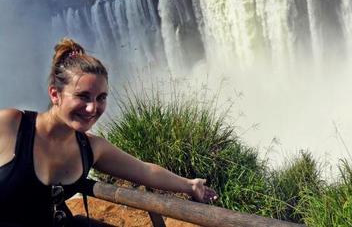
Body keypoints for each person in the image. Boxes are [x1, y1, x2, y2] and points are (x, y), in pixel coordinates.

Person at [0, 38, 217, 226]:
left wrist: (190, 185)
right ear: (55, 94)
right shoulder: (12, 124)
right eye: (83, 96)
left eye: (101, 98)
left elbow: (145, 171)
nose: (92, 108)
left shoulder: (91, 148)